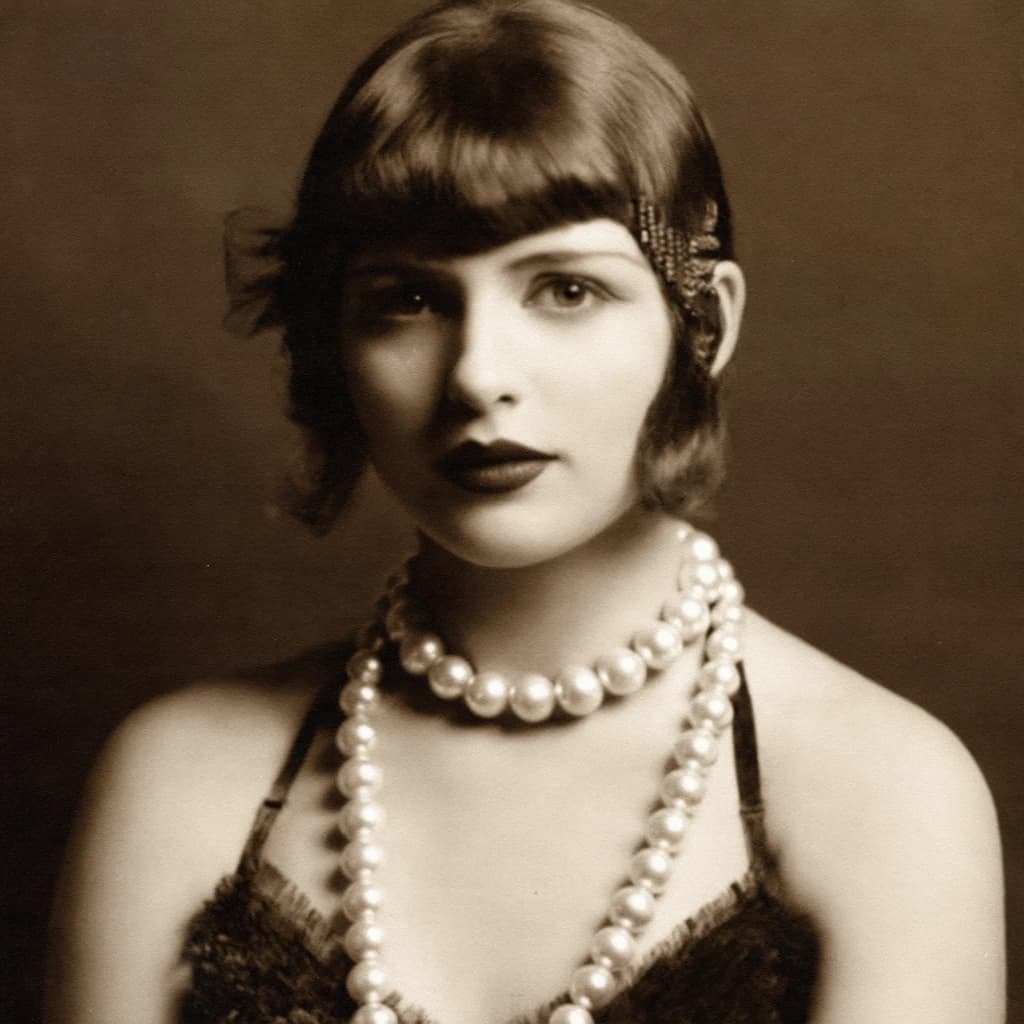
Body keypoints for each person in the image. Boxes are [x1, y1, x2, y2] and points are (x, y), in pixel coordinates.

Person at [45, 1, 1005, 1022]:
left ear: (702, 325)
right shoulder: (178, 781)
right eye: (407, 300)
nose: (478, 375)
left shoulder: (887, 792)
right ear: (336, 345)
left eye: (565, 290)